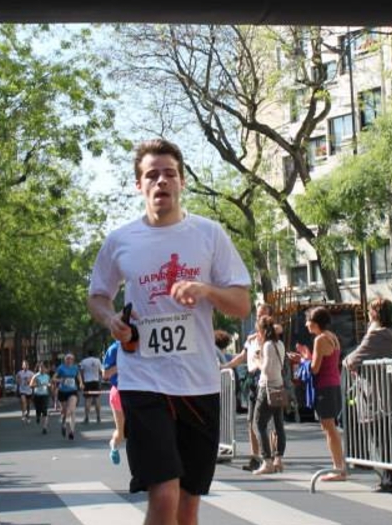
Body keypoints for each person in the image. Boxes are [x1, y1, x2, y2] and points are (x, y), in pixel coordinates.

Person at [87, 138, 251, 525]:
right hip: (142, 380)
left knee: (188, 507)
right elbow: (97, 296)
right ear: (139, 185)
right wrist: (110, 320)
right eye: (152, 175)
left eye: (169, 174)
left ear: (181, 182)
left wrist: (206, 290)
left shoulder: (209, 234)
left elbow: (242, 303)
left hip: (198, 383)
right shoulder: (121, 240)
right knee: (163, 496)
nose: (161, 181)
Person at [345, 296, 392, 493]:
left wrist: (347, 361)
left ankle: (390, 479)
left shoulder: (376, 335)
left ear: (375, 314)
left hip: (374, 392)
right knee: (384, 434)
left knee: (379, 435)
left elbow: (352, 359)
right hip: (389, 389)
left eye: (370, 310)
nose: (368, 314)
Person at [221, 301, 275, 472]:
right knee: (251, 421)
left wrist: (262, 336)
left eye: (263, 315)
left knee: (267, 422)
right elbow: (242, 356)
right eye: (258, 315)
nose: (259, 318)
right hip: (252, 381)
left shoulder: (273, 333)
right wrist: (225, 366)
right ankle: (256, 457)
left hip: (266, 380)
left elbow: (278, 330)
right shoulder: (252, 334)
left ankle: (272, 457)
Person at [298, 305, 347, 482]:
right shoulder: (332, 337)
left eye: (308, 320)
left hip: (324, 387)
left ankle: (338, 469)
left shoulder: (320, 339)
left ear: (315, 322)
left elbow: (315, 368)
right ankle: (339, 467)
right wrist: (308, 357)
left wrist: (303, 360)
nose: (306, 324)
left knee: (329, 428)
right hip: (333, 385)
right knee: (330, 428)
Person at [251, 315, 288, 475]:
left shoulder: (267, 345)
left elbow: (266, 370)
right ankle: (278, 459)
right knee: (278, 424)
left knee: (258, 424)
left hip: (267, 388)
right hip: (279, 386)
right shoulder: (280, 344)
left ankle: (267, 461)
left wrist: (257, 360)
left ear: (262, 331)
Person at [102, 339, 123, 465]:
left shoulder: (142, 344)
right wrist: (123, 363)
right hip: (119, 392)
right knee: (121, 433)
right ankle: (114, 445)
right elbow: (105, 374)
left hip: (139, 392)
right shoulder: (114, 349)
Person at [54, 353, 82, 440]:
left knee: (72, 410)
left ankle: (71, 431)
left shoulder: (75, 367)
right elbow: (53, 378)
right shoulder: (61, 368)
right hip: (62, 392)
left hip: (73, 391)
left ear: (73, 360)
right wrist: (60, 380)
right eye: (68, 359)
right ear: (65, 360)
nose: (69, 360)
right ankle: (63, 423)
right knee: (64, 412)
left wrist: (81, 383)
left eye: (71, 359)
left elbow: (78, 375)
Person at [79, 350, 104, 423]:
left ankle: (86, 417)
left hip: (87, 382)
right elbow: (101, 371)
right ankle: (98, 417)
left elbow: (81, 372)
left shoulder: (84, 361)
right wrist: (100, 380)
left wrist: (82, 381)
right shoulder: (98, 360)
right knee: (97, 399)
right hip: (96, 381)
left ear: (87, 354)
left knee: (88, 400)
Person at [31, 361, 53, 434]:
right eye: (40, 367)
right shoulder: (35, 376)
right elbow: (30, 385)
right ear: (38, 368)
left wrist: (49, 385)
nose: (42, 369)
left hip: (45, 395)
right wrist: (37, 385)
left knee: (44, 410)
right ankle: (38, 416)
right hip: (37, 395)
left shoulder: (47, 376)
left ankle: (44, 427)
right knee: (38, 410)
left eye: (43, 367)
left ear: (45, 369)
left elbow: (50, 384)